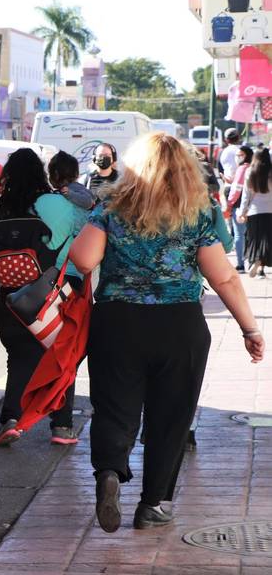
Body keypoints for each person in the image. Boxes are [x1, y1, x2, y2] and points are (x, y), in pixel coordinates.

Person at [68, 132, 264, 533]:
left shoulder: (110, 206)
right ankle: (154, 504)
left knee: (114, 408)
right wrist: (249, 328)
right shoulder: (197, 213)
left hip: (118, 322)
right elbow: (224, 277)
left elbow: (85, 259)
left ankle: (109, 470)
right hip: (180, 326)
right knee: (171, 418)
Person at [0, 148, 86, 447]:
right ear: (42, 174)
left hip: (12, 299)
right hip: (56, 295)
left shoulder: (1, 208)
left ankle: (10, 420)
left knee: (18, 359)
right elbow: (89, 240)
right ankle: (62, 427)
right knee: (62, 359)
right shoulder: (59, 204)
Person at [239, 147, 272, 278]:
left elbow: (246, 196)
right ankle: (261, 269)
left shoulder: (249, 172)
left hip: (254, 211)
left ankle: (254, 261)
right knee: (268, 240)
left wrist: (242, 212)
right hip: (270, 211)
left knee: (254, 239)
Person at [223, 145, 254, 271]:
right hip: (253, 207)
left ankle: (241, 264)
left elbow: (236, 190)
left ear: (246, 155)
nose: (237, 157)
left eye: (240, 154)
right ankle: (252, 261)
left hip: (239, 206)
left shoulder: (242, 169)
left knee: (239, 235)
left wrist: (229, 205)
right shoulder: (253, 168)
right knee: (250, 235)